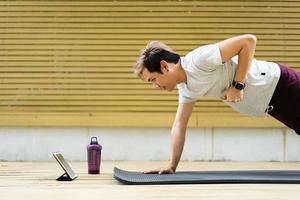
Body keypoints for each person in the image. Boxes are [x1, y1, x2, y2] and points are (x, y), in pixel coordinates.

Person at [133, 34, 300, 174]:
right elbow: (179, 125)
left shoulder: (198, 60)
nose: (155, 86)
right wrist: (171, 165)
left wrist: (238, 85)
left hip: (282, 84)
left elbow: (248, 41)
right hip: (273, 102)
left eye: (153, 80)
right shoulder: (186, 88)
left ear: (164, 66)